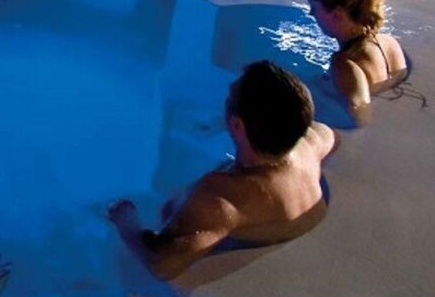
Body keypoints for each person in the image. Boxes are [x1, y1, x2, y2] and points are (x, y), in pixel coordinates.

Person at [108, 61, 337, 279]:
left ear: (237, 125)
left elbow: (161, 265)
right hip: (298, 216)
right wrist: (224, 123)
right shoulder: (310, 144)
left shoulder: (222, 198)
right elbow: (330, 135)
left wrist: (125, 219)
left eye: (230, 98)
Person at [308, 0, 408, 126]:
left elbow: (359, 118)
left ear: (336, 15)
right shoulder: (389, 42)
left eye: (314, 7)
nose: (311, 13)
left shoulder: (345, 63)